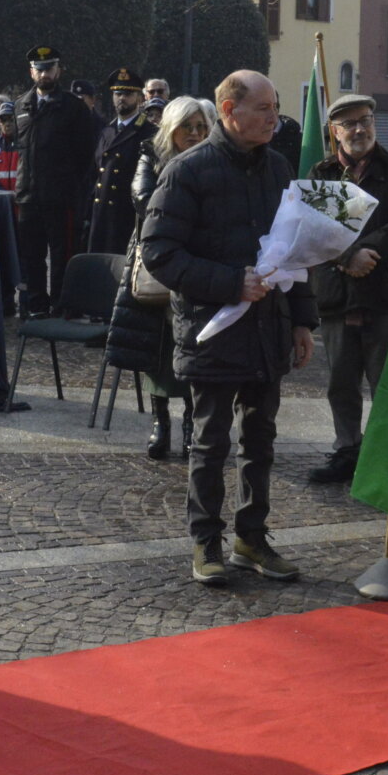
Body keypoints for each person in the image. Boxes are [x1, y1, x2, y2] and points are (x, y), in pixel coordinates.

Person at [140, 70, 318, 586]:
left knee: (260, 439)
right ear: (228, 110)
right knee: (210, 441)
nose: (273, 117)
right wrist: (228, 282)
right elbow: (159, 253)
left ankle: (251, 537)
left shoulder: (281, 168)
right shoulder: (188, 171)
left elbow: (297, 251)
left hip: (269, 328)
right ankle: (206, 542)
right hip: (211, 330)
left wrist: (302, 322)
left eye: (276, 107)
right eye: (262, 108)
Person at [305, 93, 388, 485]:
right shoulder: (322, 175)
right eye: (350, 123)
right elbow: (318, 231)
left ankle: (387, 458)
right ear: (335, 131)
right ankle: (347, 452)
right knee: (341, 381)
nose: (360, 129)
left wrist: (368, 251)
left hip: (386, 292)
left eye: (366, 120)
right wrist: (348, 258)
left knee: (386, 382)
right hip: (338, 293)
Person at [107, 95, 214, 459]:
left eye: (202, 127)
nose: (196, 134)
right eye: (188, 127)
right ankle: (160, 422)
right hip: (157, 264)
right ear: (172, 128)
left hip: (198, 265)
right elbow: (143, 198)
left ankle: (188, 423)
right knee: (156, 348)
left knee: (192, 347)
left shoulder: (214, 160)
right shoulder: (150, 155)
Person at [14, 45, 99, 313]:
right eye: (39, 70)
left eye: (49, 68)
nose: (44, 74)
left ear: (58, 70)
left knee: (62, 254)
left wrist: (68, 184)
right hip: (28, 194)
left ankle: (62, 305)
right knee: (32, 255)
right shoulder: (21, 105)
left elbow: (86, 153)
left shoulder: (73, 108)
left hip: (60, 195)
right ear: (31, 72)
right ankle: (37, 305)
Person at [87, 67, 154, 254]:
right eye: (117, 93)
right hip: (101, 215)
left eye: (127, 94)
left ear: (140, 98)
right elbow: (95, 173)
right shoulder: (106, 132)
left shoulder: (148, 133)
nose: (121, 98)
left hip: (126, 216)